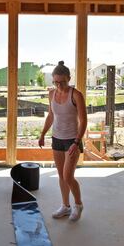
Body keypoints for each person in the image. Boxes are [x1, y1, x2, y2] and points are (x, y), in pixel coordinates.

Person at [38, 61, 87, 221]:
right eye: (56, 82)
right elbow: (51, 116)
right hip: (57, 138)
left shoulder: (76, 95)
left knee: (68, 176)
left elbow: (84, 120)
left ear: (69, 78)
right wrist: (43, 134)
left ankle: (78, 205)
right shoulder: (51, 94)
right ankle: (65, 206)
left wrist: (76, 141)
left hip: (72, 140)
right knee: (61, 175)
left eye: (63, 82)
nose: (59, 85)